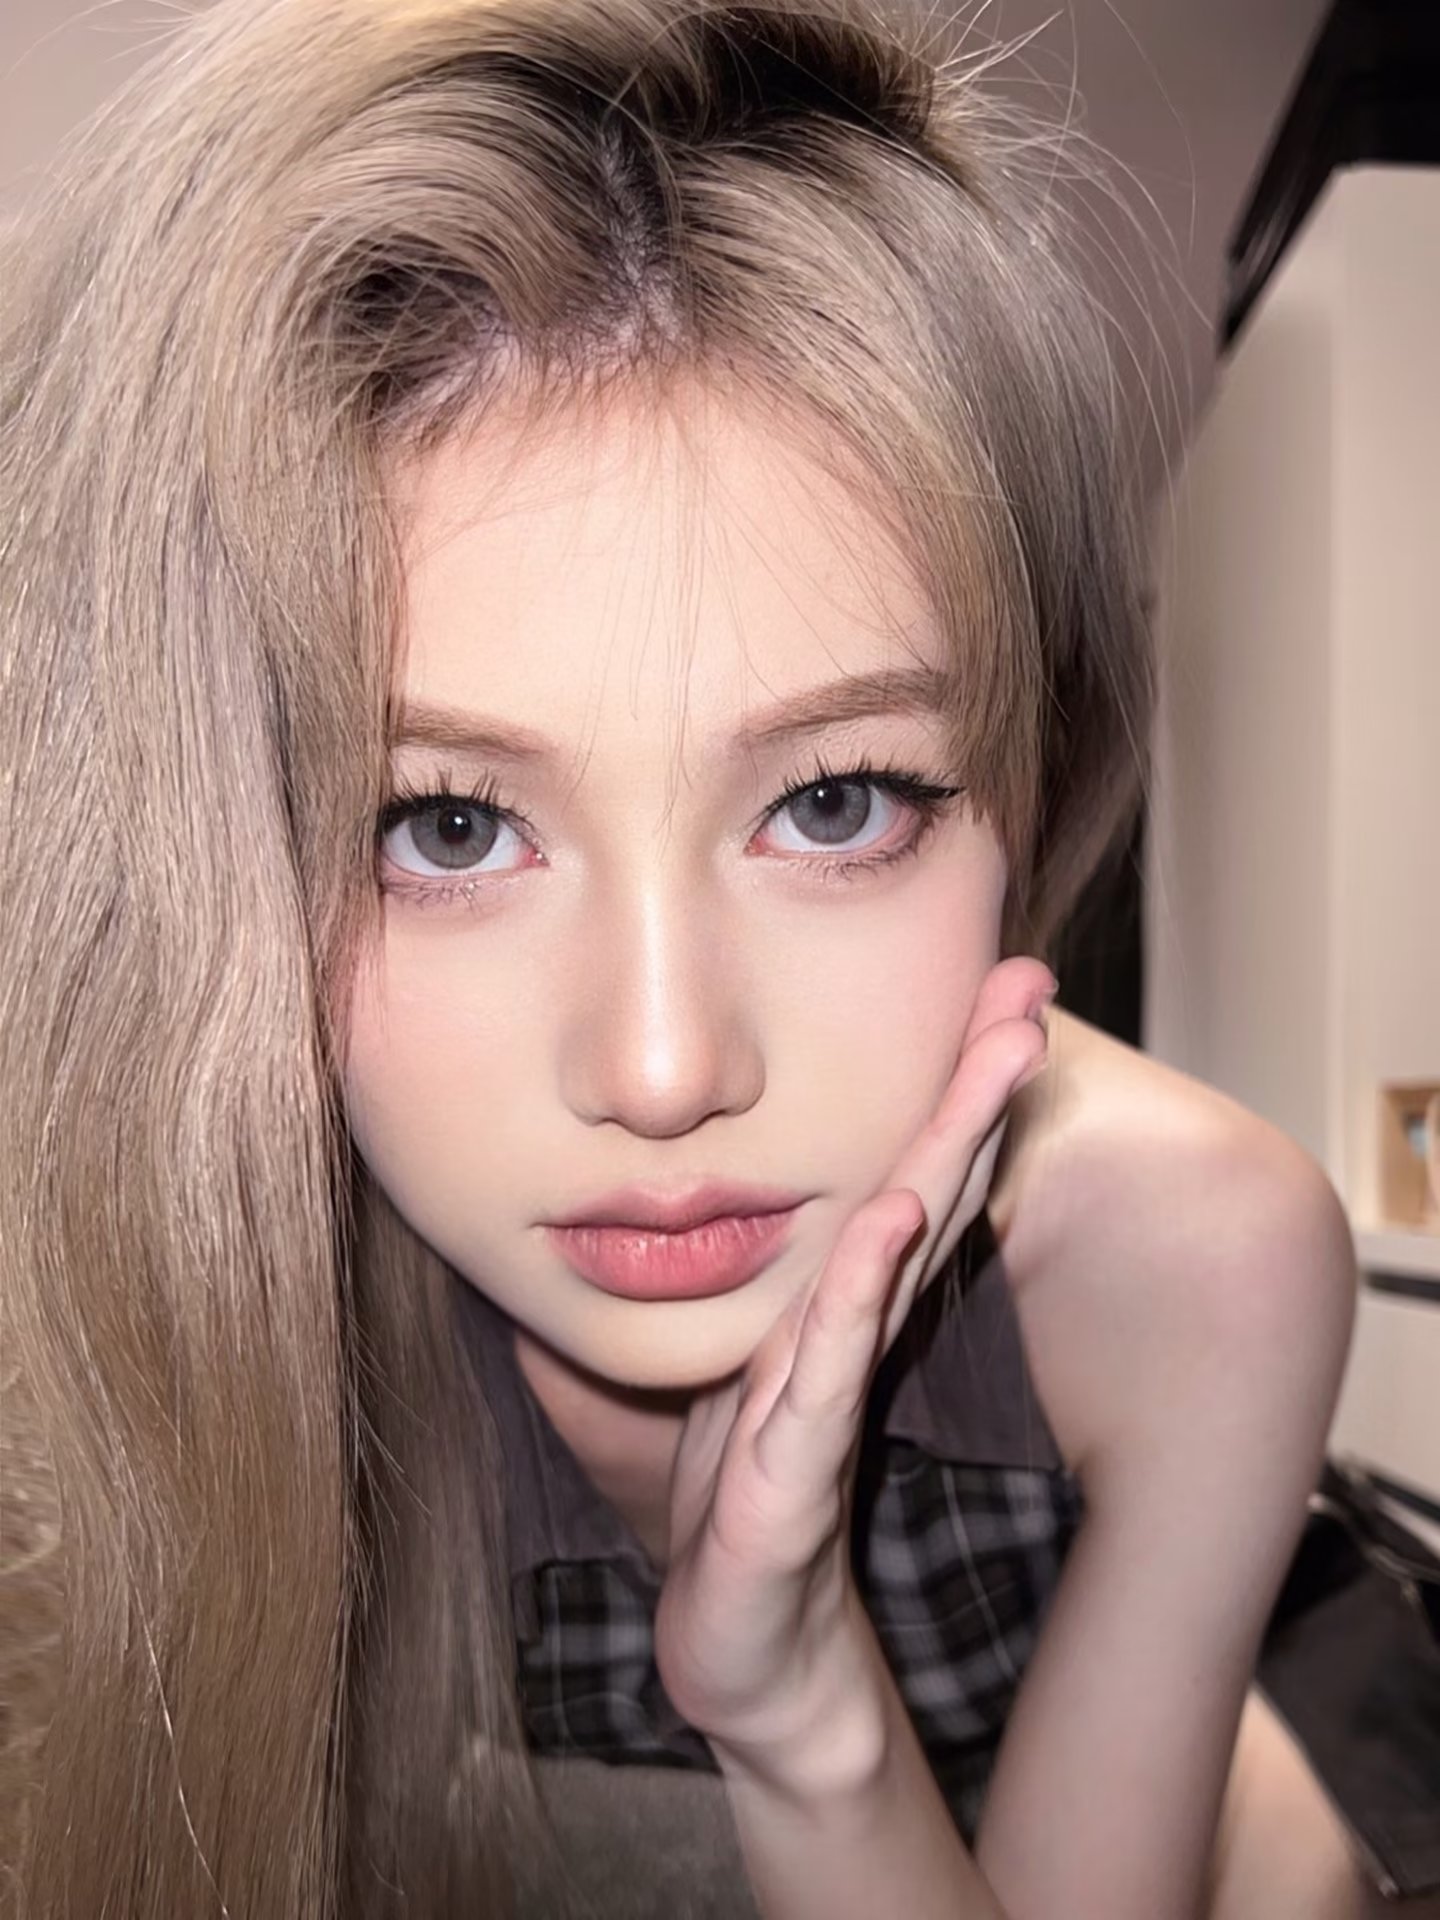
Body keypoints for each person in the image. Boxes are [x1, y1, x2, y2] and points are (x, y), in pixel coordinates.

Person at [0, 1, 1361, 1915]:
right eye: (444, 828)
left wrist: (802, 1707)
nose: (662, 1070)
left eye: (833, 802)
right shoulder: (155, 1278)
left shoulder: (1200, 1259)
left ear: (1027, 794)